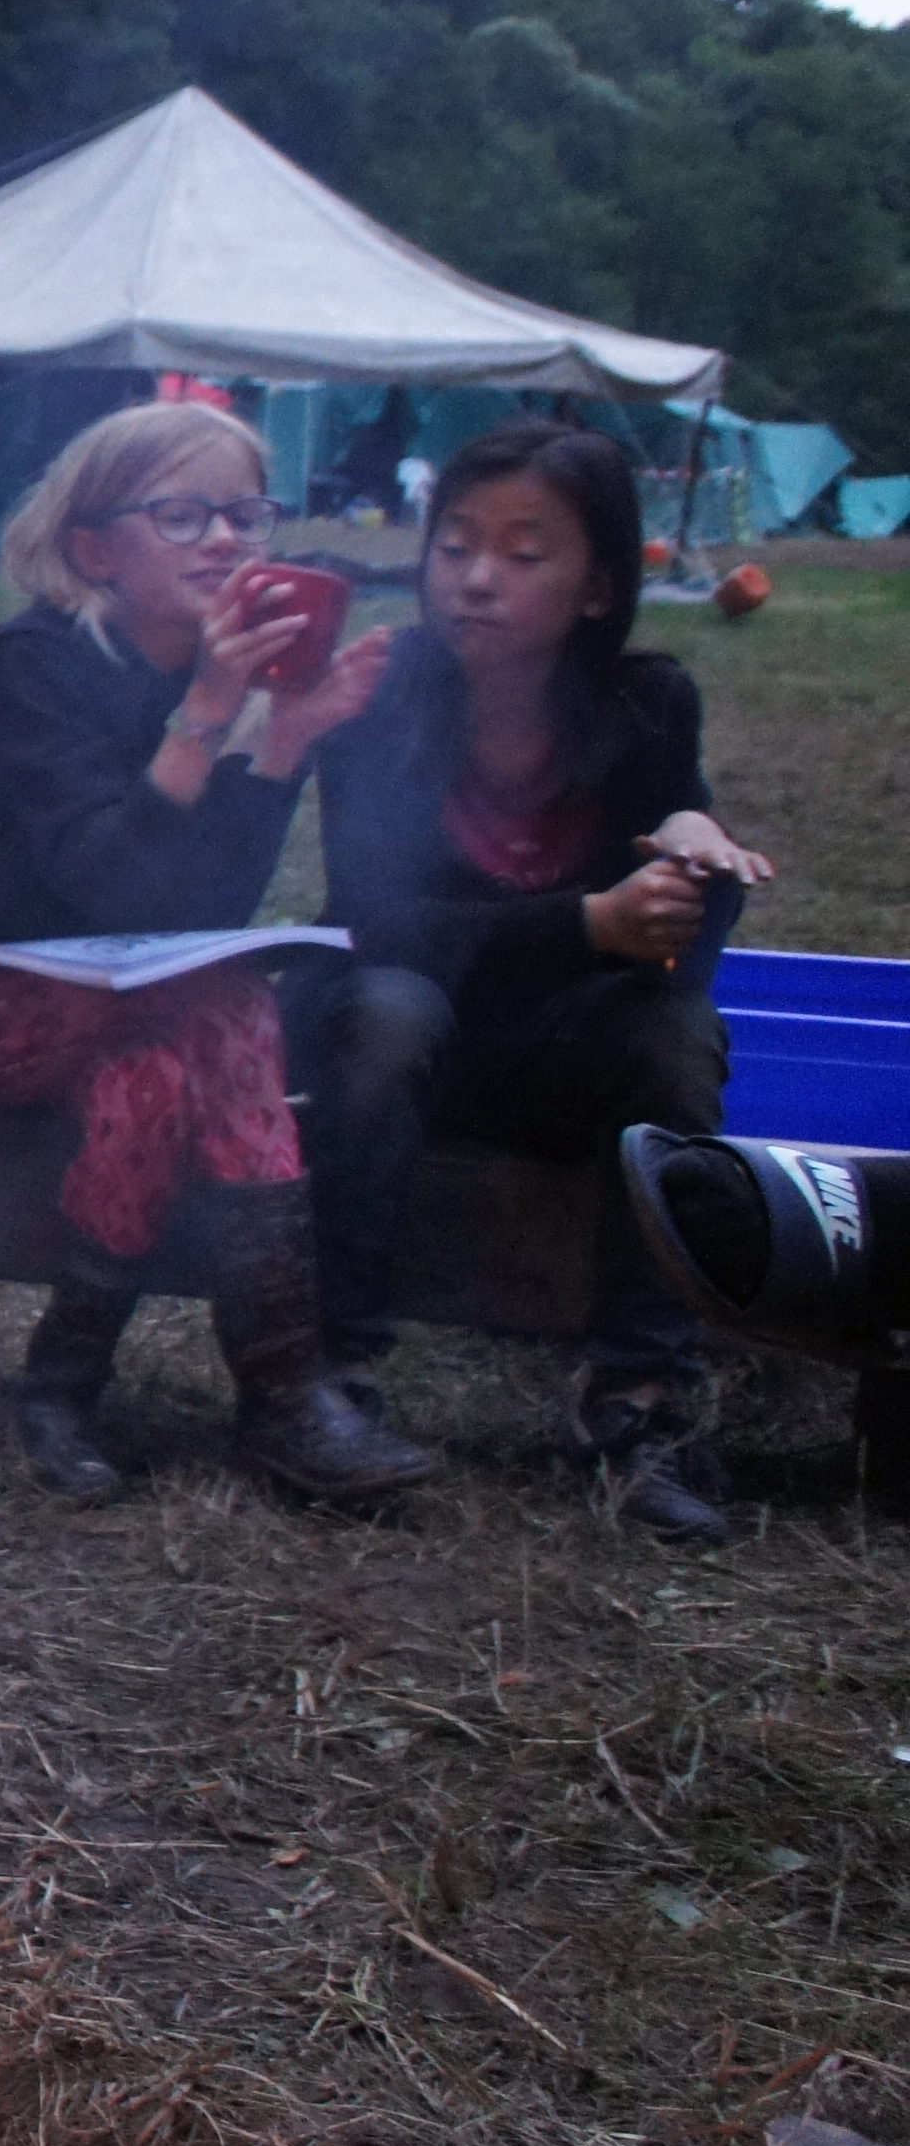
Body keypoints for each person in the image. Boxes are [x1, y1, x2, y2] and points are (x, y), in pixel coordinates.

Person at [0, 398, 426, 1509]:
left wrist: (285, 740)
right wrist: (213, 709)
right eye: (179, 515)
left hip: (133, 1020)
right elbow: (109, 886)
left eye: (243, 515)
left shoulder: (229, 680)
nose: (223, 541)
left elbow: (203, 903)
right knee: (218, 1001)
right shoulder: (32, 662)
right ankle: (282, 1388)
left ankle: (60, 1384)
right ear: (92, 550)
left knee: (159, 1071)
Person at [296, 420, 767, 1543]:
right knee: (390, 1008)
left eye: (521, 551)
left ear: (598, 584)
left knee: (673, 1036)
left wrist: (699, 875)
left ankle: (639, 1401)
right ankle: (332, 1370)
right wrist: (584, 923)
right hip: (394, 1044)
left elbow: (670, 971)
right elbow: (372, 924)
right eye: (454, 543)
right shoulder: (379, 692)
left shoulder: (647, 705)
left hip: (554, 1057)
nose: (473, 577)